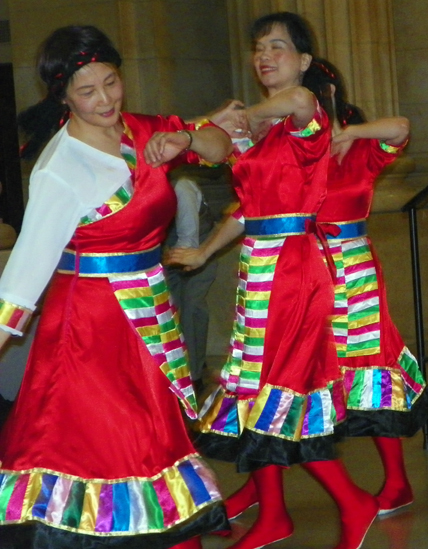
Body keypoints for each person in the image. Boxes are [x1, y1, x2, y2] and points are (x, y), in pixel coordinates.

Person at [0, 25, 232, 549]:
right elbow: (26, 273)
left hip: (149, 312)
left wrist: (188, 138)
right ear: (62, 96)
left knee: (162, 449)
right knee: (113, 456)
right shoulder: (59, 168)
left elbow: (221, 148)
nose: (105, 98)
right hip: (89, 328)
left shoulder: (146, 130)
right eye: (87, 91)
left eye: (111, 82)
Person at [168, 12, 379, 549]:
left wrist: (247, 119)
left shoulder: (302, 118)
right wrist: (204, 250)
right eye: (260, 47)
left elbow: (300, 102)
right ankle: (274, 516)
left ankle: (353, 503)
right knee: (247, 391)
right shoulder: (255, 135)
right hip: (259, 270)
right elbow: (246, 210)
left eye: (278, 47)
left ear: (304, 61)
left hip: (296, 269)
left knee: (277, 392)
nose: (265, 56)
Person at [302, 58, 428, 514]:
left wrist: (351, 133)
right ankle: (262, 491)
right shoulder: (294, 149)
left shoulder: (358, 148)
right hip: (301, 269)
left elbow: (400, 127)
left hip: (351, 269)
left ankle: (398, 481)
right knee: (293, 376)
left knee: (369, 371)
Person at [164, 172, 218, 395]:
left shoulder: (182, 187)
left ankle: (194, 378)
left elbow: (188, 242)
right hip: (168, 249)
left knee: (191, 309)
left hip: (198, 248)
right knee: (168, 311)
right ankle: (176, 371)